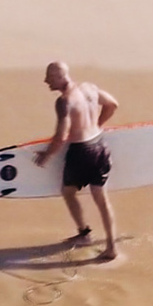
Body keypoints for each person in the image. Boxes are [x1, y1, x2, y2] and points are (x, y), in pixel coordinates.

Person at [34, 60, 120, 261]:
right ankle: (111, 247)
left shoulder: (64, 101)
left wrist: (47, 155)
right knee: (102, 199)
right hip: (100, 145)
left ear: (59, 76)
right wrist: (97, 123)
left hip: (81, 151)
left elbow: (61, 135)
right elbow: (112, 104)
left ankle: (84, 234)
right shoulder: (89, 88)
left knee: (68, 192)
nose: (46, 81)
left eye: (49, 77)